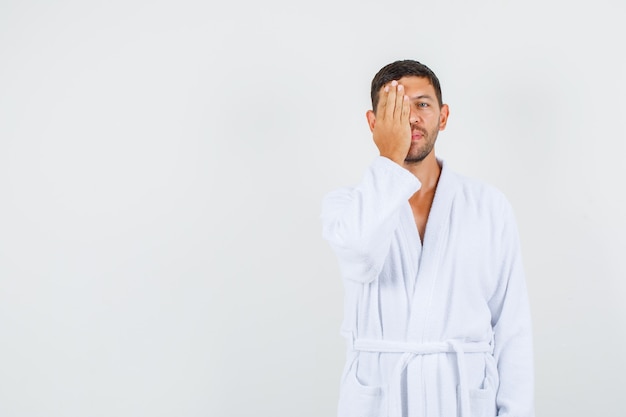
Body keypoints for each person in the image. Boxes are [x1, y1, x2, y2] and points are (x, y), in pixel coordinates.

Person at [321, 60, 534, 417]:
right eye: (396, 107)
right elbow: (361, 257)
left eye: (422, 103)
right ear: (374, 123)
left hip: (462, 398)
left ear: (443, 116)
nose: (412, 117)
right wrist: (389, 158)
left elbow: (512, 327)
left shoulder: (488, 207)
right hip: (380, 398)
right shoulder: (347, 205)